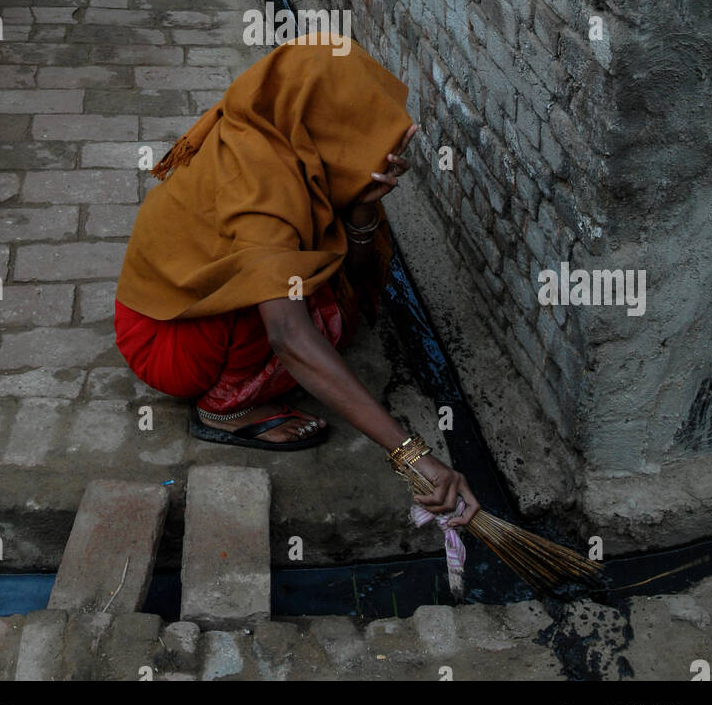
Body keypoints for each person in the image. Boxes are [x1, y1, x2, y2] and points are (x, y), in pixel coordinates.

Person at [114, 35, 479, 524]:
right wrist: (413, 455)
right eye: (364, 138)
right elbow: (288, 336)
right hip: (169, 344)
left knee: (325, 280)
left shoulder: (276, 126)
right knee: (299, 311)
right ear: (330, 128)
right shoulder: (262, 188)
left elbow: (354, 272)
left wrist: (361, 207)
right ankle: (225, 412)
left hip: (182, 306)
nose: (382, 158)